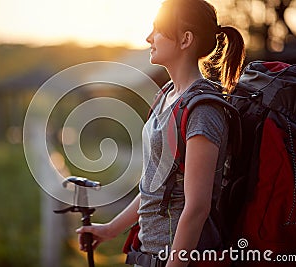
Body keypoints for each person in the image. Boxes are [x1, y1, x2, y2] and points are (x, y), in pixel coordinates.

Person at [76, 0, 245, 266]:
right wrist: (109, 229)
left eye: (158, 30)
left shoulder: (203, 109)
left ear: (185, 39)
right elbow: (156, 184)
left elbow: (197, 207)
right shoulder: (167, 95)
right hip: (148, 254)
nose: (148, 37)